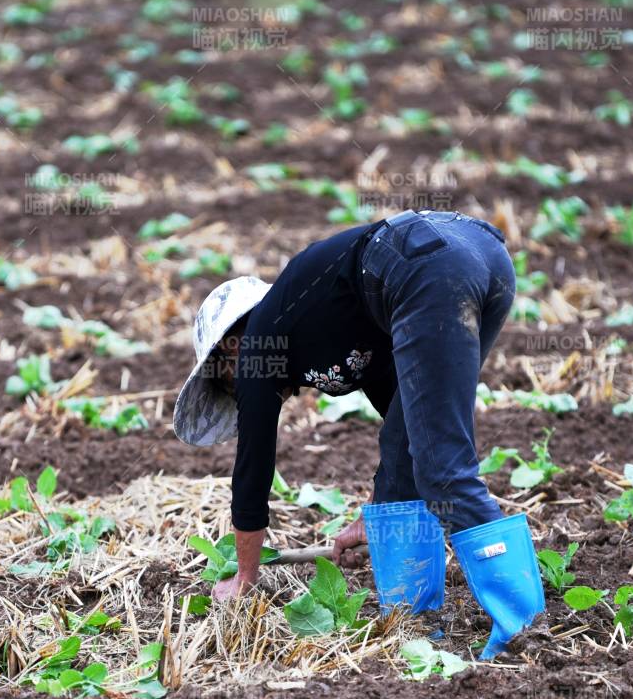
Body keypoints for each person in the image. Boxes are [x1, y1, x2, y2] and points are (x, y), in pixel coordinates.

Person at [173, 209, 544, 658]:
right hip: (478, 256)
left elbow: (252, 475)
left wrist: (245, 578)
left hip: (423, 262)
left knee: (444, 470)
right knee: (414, 448)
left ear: (231, 347)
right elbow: (403, 430)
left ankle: (526, 632)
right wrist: (370, 519)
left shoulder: (258, 345)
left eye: (226, 381)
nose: (237, 390)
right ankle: (412, 621)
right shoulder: (325, 323)